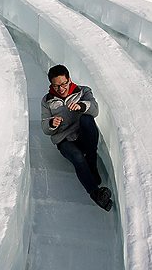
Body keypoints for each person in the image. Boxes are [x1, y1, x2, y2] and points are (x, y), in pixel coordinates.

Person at [41, 64, 113, 211]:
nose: (61, 89)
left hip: (83, 134)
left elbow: (95, 108)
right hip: (64, 140)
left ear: (69, 79)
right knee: (77, 157)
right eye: (56, 86)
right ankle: (95, 193)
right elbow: (44, 127)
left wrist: (81, 106)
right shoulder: (47, 100)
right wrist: (51, 123)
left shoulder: (83, 91)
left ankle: (91, 162)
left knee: (87, 119)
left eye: (63, 84)